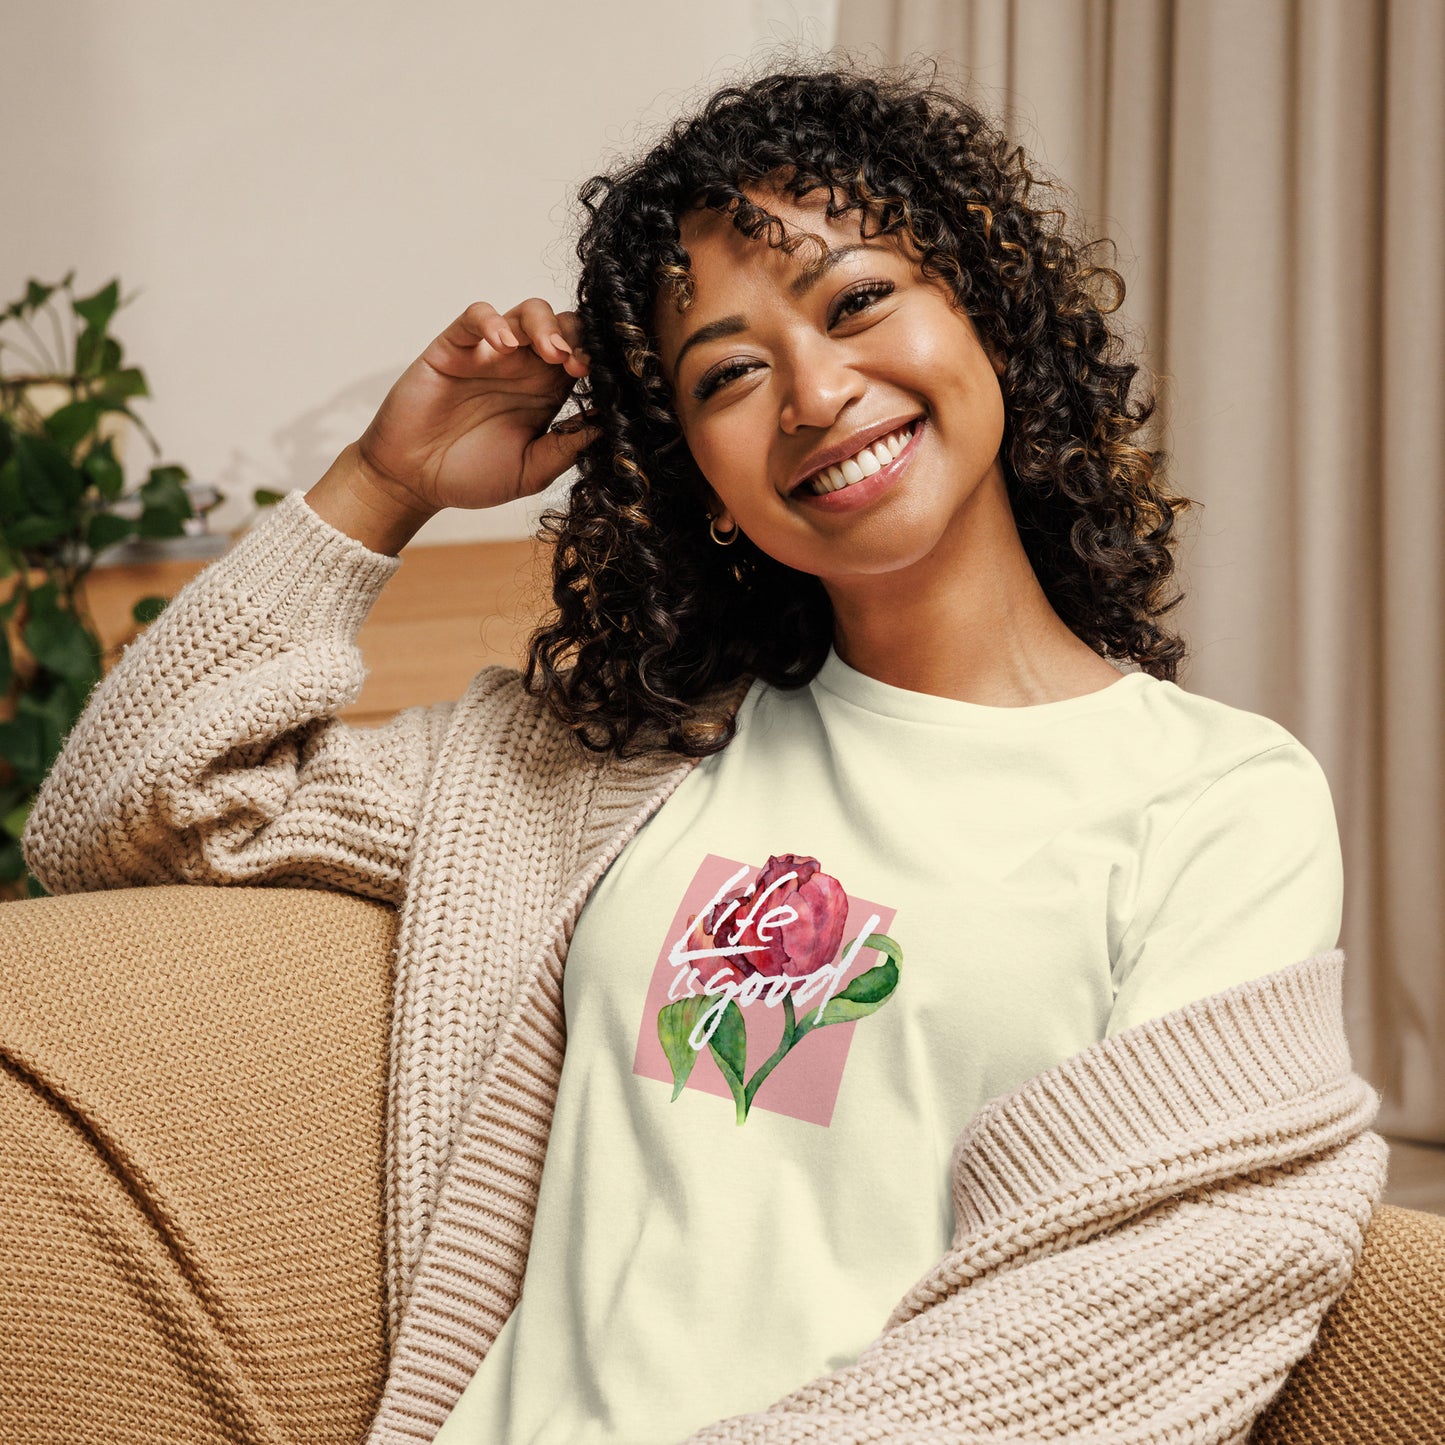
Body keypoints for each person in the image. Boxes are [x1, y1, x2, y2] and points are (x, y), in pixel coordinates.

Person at [14, 59, 1385, 1445]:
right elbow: (128, 813)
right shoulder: (608, 766)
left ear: (987, 315)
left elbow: (1138, 1301)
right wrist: (382, 484)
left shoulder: (1214, 798)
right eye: (728, 372)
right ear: (702, 480)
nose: (812, 390)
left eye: (858, 301)